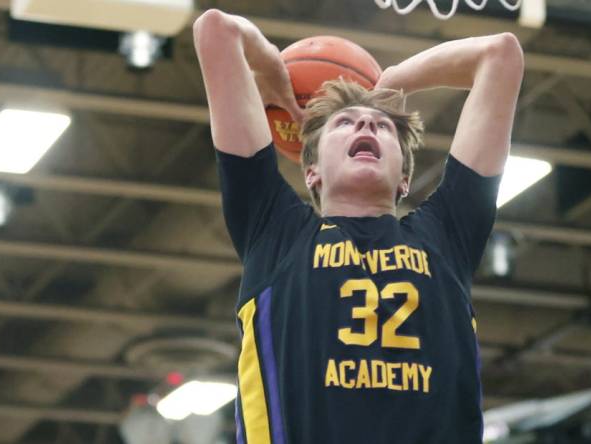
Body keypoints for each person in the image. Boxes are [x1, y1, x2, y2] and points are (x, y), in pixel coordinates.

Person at [193, 8, 524, 444]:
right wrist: (272, 67)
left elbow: (500, 56)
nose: (366, 122)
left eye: (383, 126)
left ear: (405, 178)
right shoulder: (273, 231)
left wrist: (391, 82)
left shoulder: (446, 234)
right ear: (310, 169)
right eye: (344, 123)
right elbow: (216, 29)